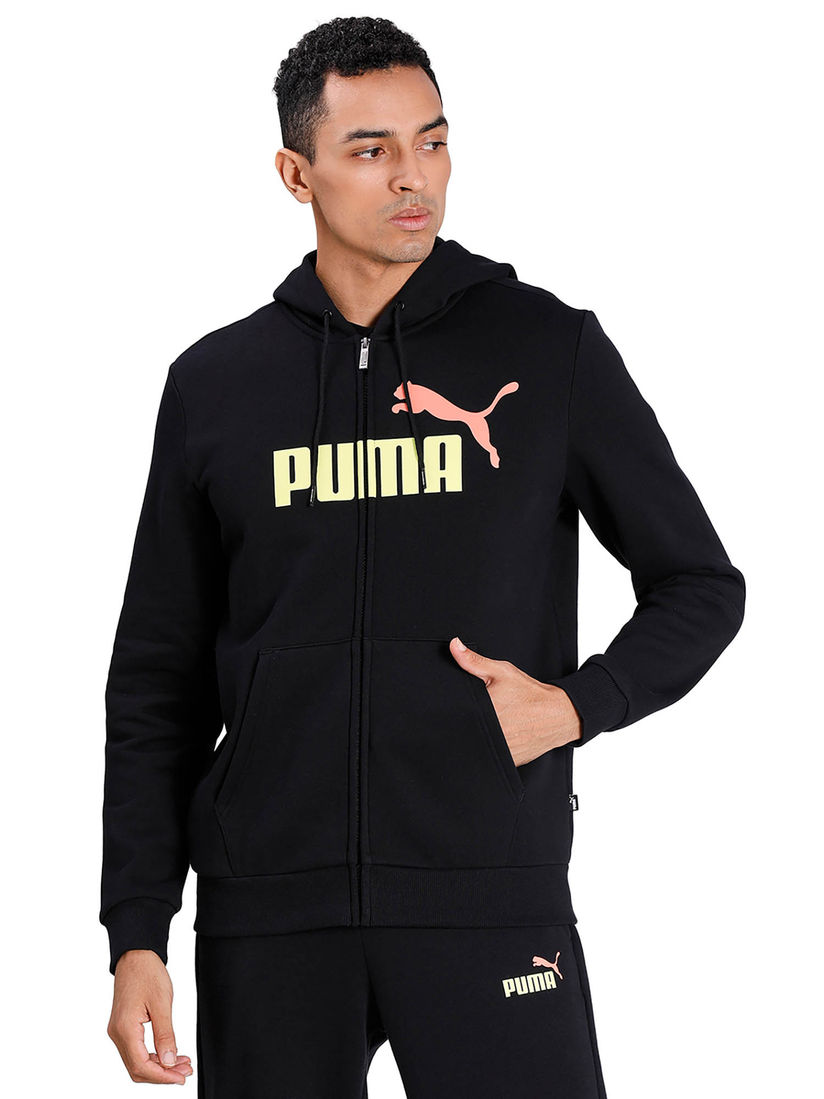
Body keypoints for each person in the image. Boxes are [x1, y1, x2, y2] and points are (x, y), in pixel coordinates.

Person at [100, 15, 746, 1097]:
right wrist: (136, 930)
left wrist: (576, 705)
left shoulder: (547, 347)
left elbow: (700, 585)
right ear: (295, 174)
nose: (415, 177)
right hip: (272, 918)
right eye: (372, 150)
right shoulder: (215, 386)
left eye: (432, 141)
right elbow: (156, 679)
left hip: (488, 895)